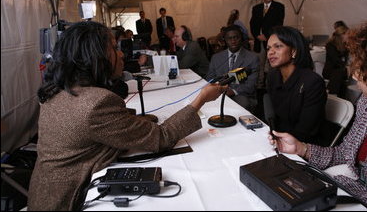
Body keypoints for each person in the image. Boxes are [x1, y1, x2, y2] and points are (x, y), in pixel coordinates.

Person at [27, 21, 226, 211]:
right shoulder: (95, 103)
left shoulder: (58, 92)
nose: (121, 54)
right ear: (94, 56)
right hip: (68, 201)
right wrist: (201, 99)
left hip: (43, 196)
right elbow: (162, 136)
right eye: (114, 48)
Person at [268, 15, 367, 211]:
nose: (354, 73)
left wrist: (344, 185)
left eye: (361, 65)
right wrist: (301, 149)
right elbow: (345, 154)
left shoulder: (312, 82)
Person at [265, 26, 329, 145]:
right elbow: (276, 117)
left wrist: (280, 141)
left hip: (304, 146)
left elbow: (305, 131)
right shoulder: (272, 76)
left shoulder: (313, 82)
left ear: (294, 51)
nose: (270, 52)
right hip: (279, 140)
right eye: (268, 48)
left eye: (278, 46)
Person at [206, 25, 259, 112]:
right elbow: (209, 78)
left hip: (241, 95)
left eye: (236, 37)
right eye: (229, 38)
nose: (233, 41)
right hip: (219, 92)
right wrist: (218, 88)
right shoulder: (216, 57)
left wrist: (231, 91)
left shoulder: (252, 58)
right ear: (225, 40)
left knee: (243, 103)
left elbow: (250, 86)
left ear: (241, 38)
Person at [323, 25, 350, 97]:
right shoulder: (330, 45)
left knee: (341, 73)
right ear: (342, 35)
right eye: (347, 34)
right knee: (339, 72)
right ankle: (331, 94)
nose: (348, 36)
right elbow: (336, 61)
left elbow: (345, 60)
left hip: (340, 71)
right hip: (330, 71)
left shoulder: (345, 46)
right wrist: (346, 68)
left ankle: (341, 97)